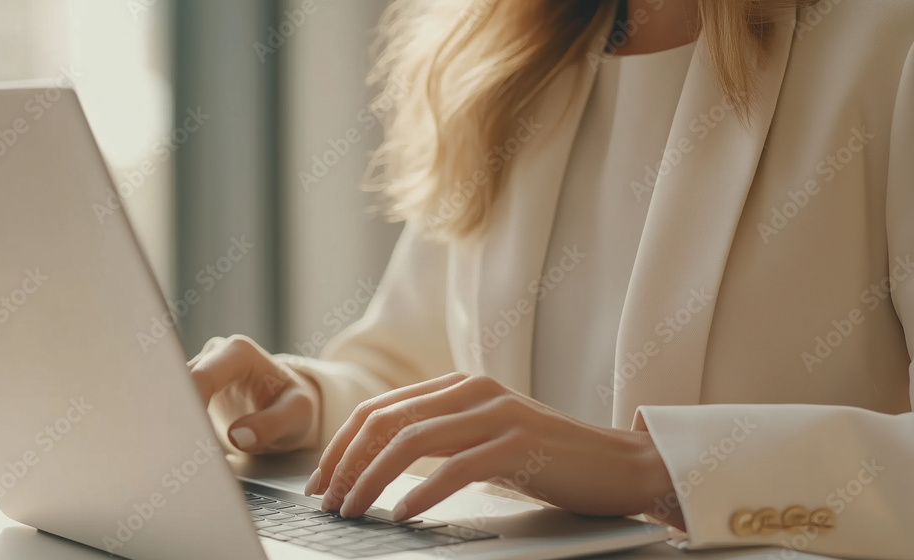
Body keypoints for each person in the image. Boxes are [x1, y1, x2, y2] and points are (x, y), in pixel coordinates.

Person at [189, 0, 914, 557]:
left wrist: (658, 470)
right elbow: (418, 360)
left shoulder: (889, 39)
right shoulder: (512, 49)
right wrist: (313, 406)